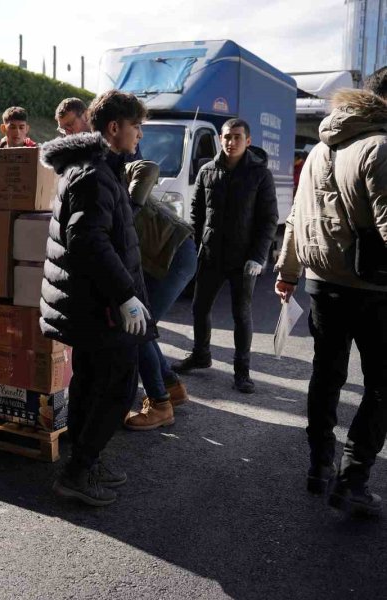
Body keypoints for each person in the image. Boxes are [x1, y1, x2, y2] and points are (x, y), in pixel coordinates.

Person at [275, 82, 387, 517]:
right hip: (374, 288)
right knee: (381, 385)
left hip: (322, 282)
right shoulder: (379, 147)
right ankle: (352, 480)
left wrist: (287, 273)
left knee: (327, 375)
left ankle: (318, 465)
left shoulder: (321, 150)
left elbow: (295, 219)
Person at [39, 90, 155, 507]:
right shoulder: (93, 173)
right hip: (100, 307)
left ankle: (87, 460)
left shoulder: (96, 167)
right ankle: (77, 471)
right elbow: (88, 240)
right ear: (114, 128)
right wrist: (125, 296)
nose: (139, 135)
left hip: (91, 305)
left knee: (90, 385)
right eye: (136, 127)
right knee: (115, 388)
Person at [172, 118, 279, 393]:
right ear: (221, 138)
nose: (232, 142)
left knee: (241, 315)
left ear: (248, 141)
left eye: (238, 137)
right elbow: (196, 213)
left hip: (244, 261)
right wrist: (192, 247)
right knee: (199, 308)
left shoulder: (259, 173)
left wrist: (258, 256)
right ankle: (200, 355)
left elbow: (269, 219)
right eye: (227, 137)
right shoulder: (207, 170)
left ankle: (242, 372)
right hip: (210, 254)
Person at [123, 161, 197, 430]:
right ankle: (170, 386)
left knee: (137, 329)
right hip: (158, 258)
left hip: (174, 252)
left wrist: (129, 210)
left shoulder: (106, 164)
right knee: (141, 326)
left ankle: (160, 404)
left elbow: (149, 168)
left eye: (69, 126)